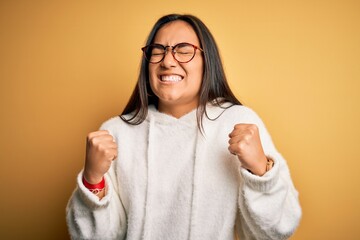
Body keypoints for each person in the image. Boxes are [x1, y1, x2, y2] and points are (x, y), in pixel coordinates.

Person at [66, 14, 301, 240]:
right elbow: (95, 237)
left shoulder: (239, 121)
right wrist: (93, 178)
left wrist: (260, 169)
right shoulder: (115, 132)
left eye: (184, 51)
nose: (167, 61)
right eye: (157, 52)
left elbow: (275, 231)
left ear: (207, 61)